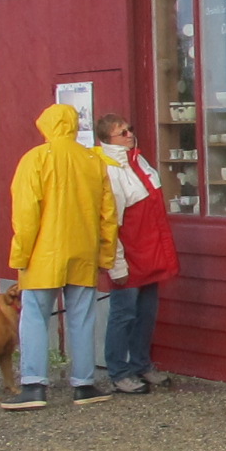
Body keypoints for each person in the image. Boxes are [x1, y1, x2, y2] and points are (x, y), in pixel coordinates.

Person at [2, 101, 117, 411]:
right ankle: (84, 385)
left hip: (43, 254)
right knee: (82, 318)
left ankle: (34, 386)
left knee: (35, 317)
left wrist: (20, 256)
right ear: (75, 126)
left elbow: (26, 214)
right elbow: (108, 215)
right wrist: (105, 256)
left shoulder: (35, 159)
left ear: (45, 126)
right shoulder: (94, 161)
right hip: (83, 251)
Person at [95, 114, 178, 393]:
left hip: (149, 253)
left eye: (129, 129)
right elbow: (111, 224)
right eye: (122, 133)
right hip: (129, 255)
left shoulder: (138, 161)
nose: (129, 134)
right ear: (108, 139)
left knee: (146, 313)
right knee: (123, 314)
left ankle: (142, 364)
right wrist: (116, 265)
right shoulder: (110, 170)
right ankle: (119, 371)